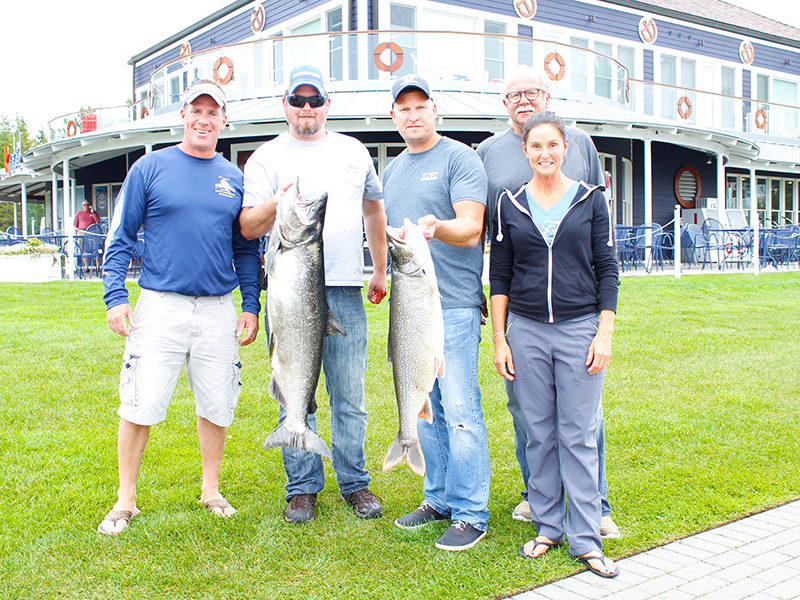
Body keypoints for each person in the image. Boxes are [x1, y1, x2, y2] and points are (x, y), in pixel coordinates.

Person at [97, 80, 260, 535]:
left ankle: (211, 490)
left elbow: (247, 249)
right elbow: (120, 237)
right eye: (196, 110)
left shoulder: (235, 178)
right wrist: (115, 297)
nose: (204, 119)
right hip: (160, 306)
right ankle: (125, 499)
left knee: (217, 403)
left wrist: (251, 304)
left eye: (213, 112)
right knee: (140, 402)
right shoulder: (150, 168)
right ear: (183, 115)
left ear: (224, 120)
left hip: (217, 309)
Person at [239, 65, 388, 524]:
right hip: (288, 295)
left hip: (344, 288)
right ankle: (302, 487)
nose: (307, 108)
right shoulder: (264, 158)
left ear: (328, 104)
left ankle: (354, 481)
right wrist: (277, 204)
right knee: (292, 390)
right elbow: (248, 226)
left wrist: (380, 268)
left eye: (315, 100)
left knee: (350, 395)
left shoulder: (354, 151)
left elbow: (373, 209)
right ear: (285, 104)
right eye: (298, 100)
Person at [477, 67, 619, 539]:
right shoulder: (489, 157)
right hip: (525, 319)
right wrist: (497, 327)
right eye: (514, 94)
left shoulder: (584, 159)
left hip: (578, 319)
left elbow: (604, 254)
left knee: (582, 423)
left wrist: (604, 328)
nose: (523, 100)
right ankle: (541, 507)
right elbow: (494, 252)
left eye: (532, 92)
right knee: (531, 420)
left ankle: (594, 510)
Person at [383, 74, 491, 552]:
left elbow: (471, 228)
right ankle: (439, 498)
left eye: (420, 106)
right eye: (404, 108)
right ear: (394, 116)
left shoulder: (460, 158)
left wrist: (435, 227)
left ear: (434, 110)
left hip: (455, 306)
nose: (413, 115)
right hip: (408, 306)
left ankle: (471, 513)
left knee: (462, 410)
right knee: (425, 406)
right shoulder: (392, 171)